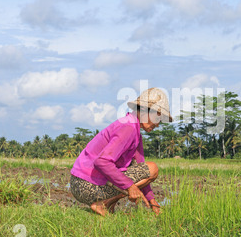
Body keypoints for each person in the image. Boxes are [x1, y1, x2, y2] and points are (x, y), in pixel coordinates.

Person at [69, 87, 173, 216]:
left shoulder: (133, 129)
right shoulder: (128, 128)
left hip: (80, 183)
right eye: (158, 118)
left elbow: (141, 169)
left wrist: (153, 203)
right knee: (152, 168)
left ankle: (106, 205)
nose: (157, 124)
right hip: (85, 185)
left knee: (146, 169)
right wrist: (130, 186)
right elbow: (102, 162)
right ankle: (104, 204)